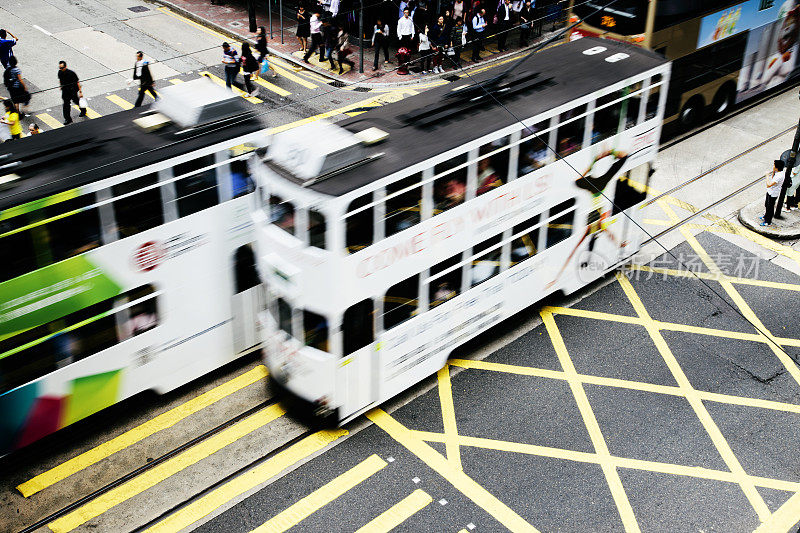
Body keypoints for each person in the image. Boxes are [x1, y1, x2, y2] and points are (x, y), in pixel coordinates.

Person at [58, 61, 87, 125]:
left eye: (62, 68)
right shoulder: (60, 72)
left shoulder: (71, 73)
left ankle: (83, 110)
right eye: (60, 68)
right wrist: (60, 86)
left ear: (66, 67)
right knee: (66, 105)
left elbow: (77, 82)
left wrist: (80, 92)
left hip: (72, 90)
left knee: (76, 101)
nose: (61, 69)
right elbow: (60, 79)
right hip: (65, 91)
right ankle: (68, 119)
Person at [762, 159, 786, 226]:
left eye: (774, 166)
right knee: (767, 205)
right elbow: (773, 177)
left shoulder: (779, 176)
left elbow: (769, 184)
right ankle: (765, 216)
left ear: (777, 167)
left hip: (773, 194)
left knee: (770, 207)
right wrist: (773, 171)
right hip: (770, 191)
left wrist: (767, 176)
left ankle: (768, 222)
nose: (773, 166)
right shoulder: (779, 172)